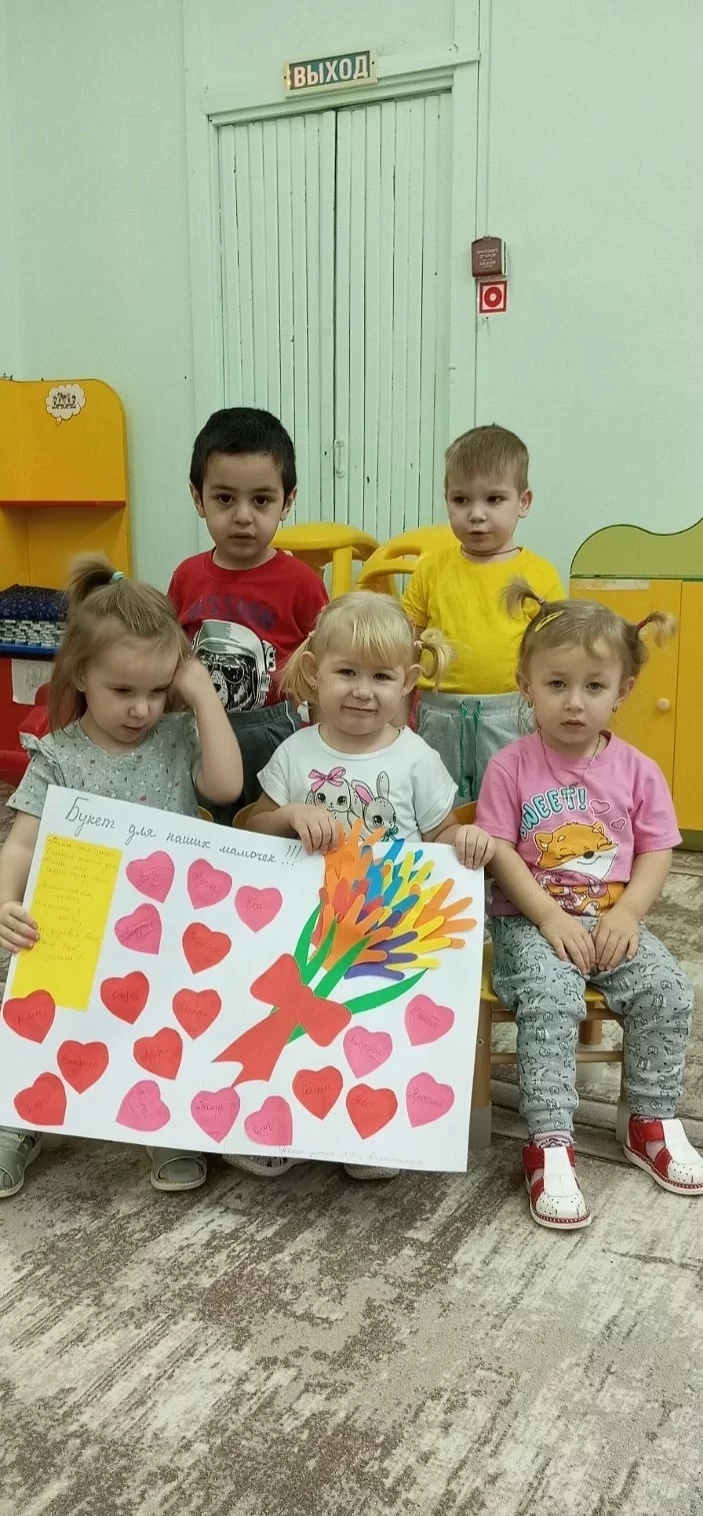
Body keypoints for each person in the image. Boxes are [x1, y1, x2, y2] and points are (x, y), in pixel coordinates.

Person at [0, 556, 244, 1198]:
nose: (141, 708)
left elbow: (226, 787)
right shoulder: (58, 755)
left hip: (164, 931)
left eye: (157, 690)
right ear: (82, 674)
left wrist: (200, 694)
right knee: (29, 996)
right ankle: (18, 1118)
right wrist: (4, 901)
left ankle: (168, 1123)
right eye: (123, 691)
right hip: (77, 926)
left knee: (177, 1009)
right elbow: (21, 843)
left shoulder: (177, 736)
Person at [235, 590, 496, 1183]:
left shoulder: (416, 759)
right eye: (346, 672)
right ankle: (276, 1123)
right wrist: (289, 815)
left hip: (384, 932)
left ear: (407, 683)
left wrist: (465, 840)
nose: (362, 690)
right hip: (304, 925)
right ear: (314, 671)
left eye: (381, 677)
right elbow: (252, 827)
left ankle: (369, 1131)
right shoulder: (295, 753)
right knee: (290, 1015)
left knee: (374, 1026)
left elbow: (441, 834)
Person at [475, 583, 703, 1230]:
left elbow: (656, 850)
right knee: (551, 998)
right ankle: (549, 1140)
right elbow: (498, 850)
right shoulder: (511, 767)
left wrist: (628, 915)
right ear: (525, 685)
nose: (574, 702)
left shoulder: (638, 771)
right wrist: (547, 917)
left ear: (622, 690)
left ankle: (648, 1120)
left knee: (666, 989)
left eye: (593, 686)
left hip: (609, 921)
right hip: (529, 922)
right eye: (556, 684)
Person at [167, 407, 328, 816]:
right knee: (201, 827)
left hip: (274, 738)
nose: (242, 516)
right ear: (197, 498)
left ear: (287, 501)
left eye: (261, 500)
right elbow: (169, 657)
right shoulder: (186, 577)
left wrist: (326, 747)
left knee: (270, 832)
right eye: (224, 498)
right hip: (200, 730)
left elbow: (324, 670)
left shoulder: (302, 584)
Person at [402, 424, 564, 800]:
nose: (476, 514)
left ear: (523, 502)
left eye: (494, 499)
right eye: (461, 500)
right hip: (438, 713)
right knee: (436, 804)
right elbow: (405, 643)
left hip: (513, 714)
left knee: (510, 802)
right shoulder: (430, 570)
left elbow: (558, 655)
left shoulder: (539, 575)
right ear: (447, 500)